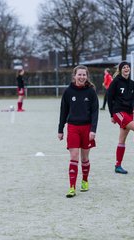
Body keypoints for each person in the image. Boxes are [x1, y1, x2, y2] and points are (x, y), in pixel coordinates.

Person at [58, 65, 99, 198]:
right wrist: (60, 129)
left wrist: (93, 130)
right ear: (74, 76)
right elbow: (63, 111)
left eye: (84, 75)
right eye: (79, 75)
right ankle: (72, 187)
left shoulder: (91, 92)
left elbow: (95, 112)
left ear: (87, 76)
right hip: (73, 127)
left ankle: (85, 181)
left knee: (85, 158)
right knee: (74, 156)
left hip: (87, 128)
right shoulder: (68, 92)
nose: (82, 77)